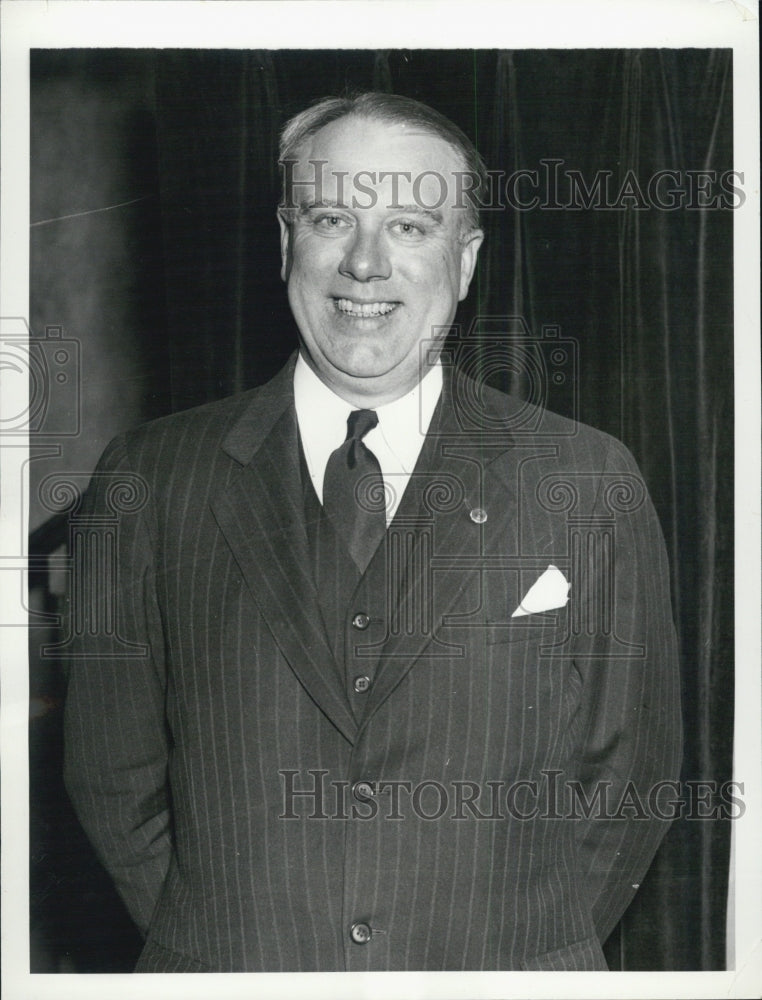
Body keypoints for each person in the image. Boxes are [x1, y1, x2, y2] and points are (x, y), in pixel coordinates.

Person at [63, 92, 682, 972]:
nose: (364, 263)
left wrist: (509, 953)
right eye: (331, 218)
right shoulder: (150, 477)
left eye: (410, 227)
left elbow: (627, 779)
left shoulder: (586, 480)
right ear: (287, 241)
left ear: (465, 261)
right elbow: (112, 775)